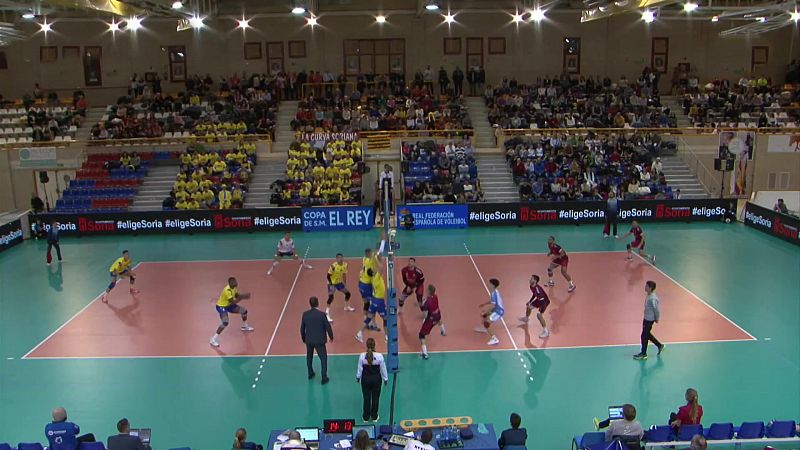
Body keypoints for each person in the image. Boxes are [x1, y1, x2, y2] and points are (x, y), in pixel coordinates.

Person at [210, 277, 254, 347]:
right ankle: (213, 339)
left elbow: (237, 296)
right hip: (221, 306)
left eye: (236, 282)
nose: (236, 283)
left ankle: (244, 326)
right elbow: (233, 301)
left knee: (244, 311)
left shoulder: (234, 288)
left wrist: (243, 296)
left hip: (229, 305)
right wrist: (243, 297)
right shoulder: (227, 290)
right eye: (234, 282)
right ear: (230, 283)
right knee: (225, 322)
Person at [301, 296, 333, 384]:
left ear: (310, 304)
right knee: (323, 358)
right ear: (317, 303)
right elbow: (328, 327)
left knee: (309, 356)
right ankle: (324, 377)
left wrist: (304, 339)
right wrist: (331, 337)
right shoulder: (322, 315)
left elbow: (302, 329)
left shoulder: (305, 314)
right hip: (320, 341)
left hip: (309, 340)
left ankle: (310, 373)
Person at [356, 337, 388, 422]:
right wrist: (385, 378)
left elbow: (360, 368)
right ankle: (374, 416)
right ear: (374, 345)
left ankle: (365, 417)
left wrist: (358, 377)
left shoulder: (362, 356)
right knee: (375, 398)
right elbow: (383, 368)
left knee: (366, 398)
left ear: (366, 345)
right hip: (376, 379)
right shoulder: (379, 356)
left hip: (365, 379)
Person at [633, 280, 664, 360]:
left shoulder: (653, 299)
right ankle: (660, 345)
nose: (645, 287)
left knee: (644, 336)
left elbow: (656, 310)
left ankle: (643, 354)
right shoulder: (649, 295)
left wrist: (657, 318)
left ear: (650, 288)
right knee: (647, 335)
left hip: (649, 320)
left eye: (646, 286)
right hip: (646, 318)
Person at [356, 268, 388, 343]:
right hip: (379, 301)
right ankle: (387, 336)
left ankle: (360, 333)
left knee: (368, 318)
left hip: (373, 301)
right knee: (385, 318)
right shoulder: (376, 277)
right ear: (373, 273)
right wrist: (377, 256)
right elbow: (381, 267)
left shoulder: (373, 279)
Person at [418, 284, 446, 359]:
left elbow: (424, 311)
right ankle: (443, 331)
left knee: (421, 335)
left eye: (427, 290)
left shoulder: (427, 302)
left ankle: (425, 353)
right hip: (437, 315)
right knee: (439, 320)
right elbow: (430, 300)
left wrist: (421, 305)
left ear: (429, 291)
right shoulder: (435, 297)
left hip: (431, 319)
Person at [325, 253, 355, 322]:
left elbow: (344, 274)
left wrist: (345, 283)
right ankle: (327, 313)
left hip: (339, 282)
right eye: (339, 258)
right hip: (331, 283)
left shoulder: (345, 265)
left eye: (341, 257)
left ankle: (346, 307)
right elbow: (328, 276)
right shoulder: (333, 266)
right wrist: (331, 285)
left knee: (348, 294)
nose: (340, 259)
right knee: (331, 297)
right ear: (336, 259)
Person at [475, 278, 504, 346]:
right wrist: (484, 304)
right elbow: (492, 301)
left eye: (489, 283)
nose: (488, 284)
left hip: (498, 311)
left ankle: (494, 339)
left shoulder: (494, 293)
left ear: (493, 285)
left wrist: (486, 312)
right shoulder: (494, 291)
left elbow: (493, 306)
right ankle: (485, 329)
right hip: (496, 309)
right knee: (483, 316)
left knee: (486, 323)